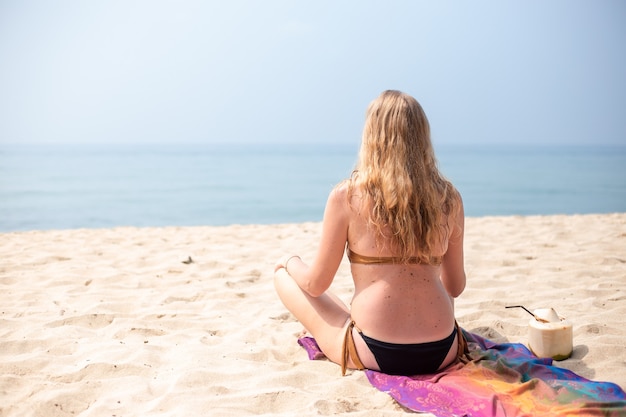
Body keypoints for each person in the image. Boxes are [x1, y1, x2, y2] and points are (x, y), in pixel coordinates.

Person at [274, 90, 467, 376]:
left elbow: (316, 284)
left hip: (373, 350)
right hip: (443, 350)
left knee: (284, 277)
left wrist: (290, 262)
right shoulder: (449, 198)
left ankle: (284, 271)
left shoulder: (348, 196)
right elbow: (454, 287)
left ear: (372, 137)